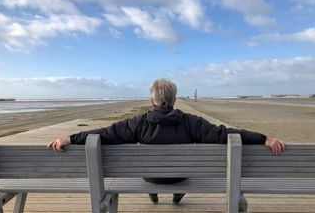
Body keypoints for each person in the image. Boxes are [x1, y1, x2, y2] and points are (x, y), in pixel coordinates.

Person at [48, 78, 285, 204]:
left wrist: (69, 138)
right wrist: (264, 138)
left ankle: (153, 193)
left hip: (150, 175)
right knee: (182, 172)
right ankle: (177, 194)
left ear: (152, 102)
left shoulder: (138, 123)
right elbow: (225, 134)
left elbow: (105, 133)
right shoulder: (192, 122)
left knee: (151, 172)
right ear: (174, 101)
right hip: (180, 175)